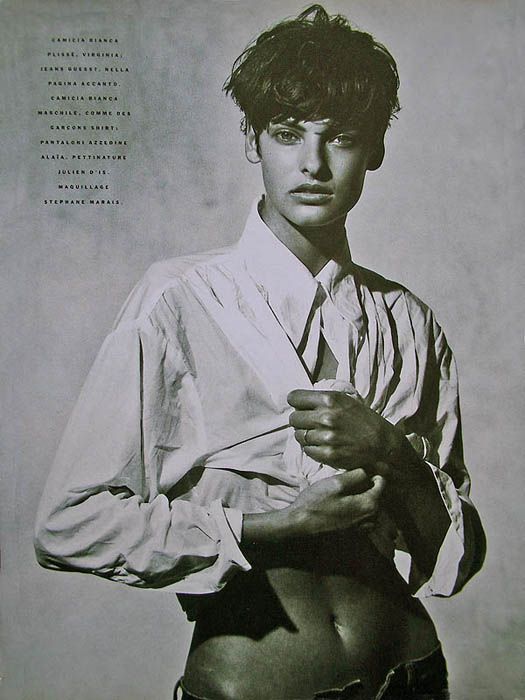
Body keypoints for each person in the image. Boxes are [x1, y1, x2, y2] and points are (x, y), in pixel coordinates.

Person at [34, 6, 485, 699]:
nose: (313, 164)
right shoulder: (179, 302)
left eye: (341, 138)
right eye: (287, 133)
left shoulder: (407, 322)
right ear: (253, 139)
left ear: (375, 150)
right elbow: (70, 524)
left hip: (412, 674)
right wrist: (277, 525)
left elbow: (454, 555)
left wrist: (391, 453)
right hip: (254, 686)